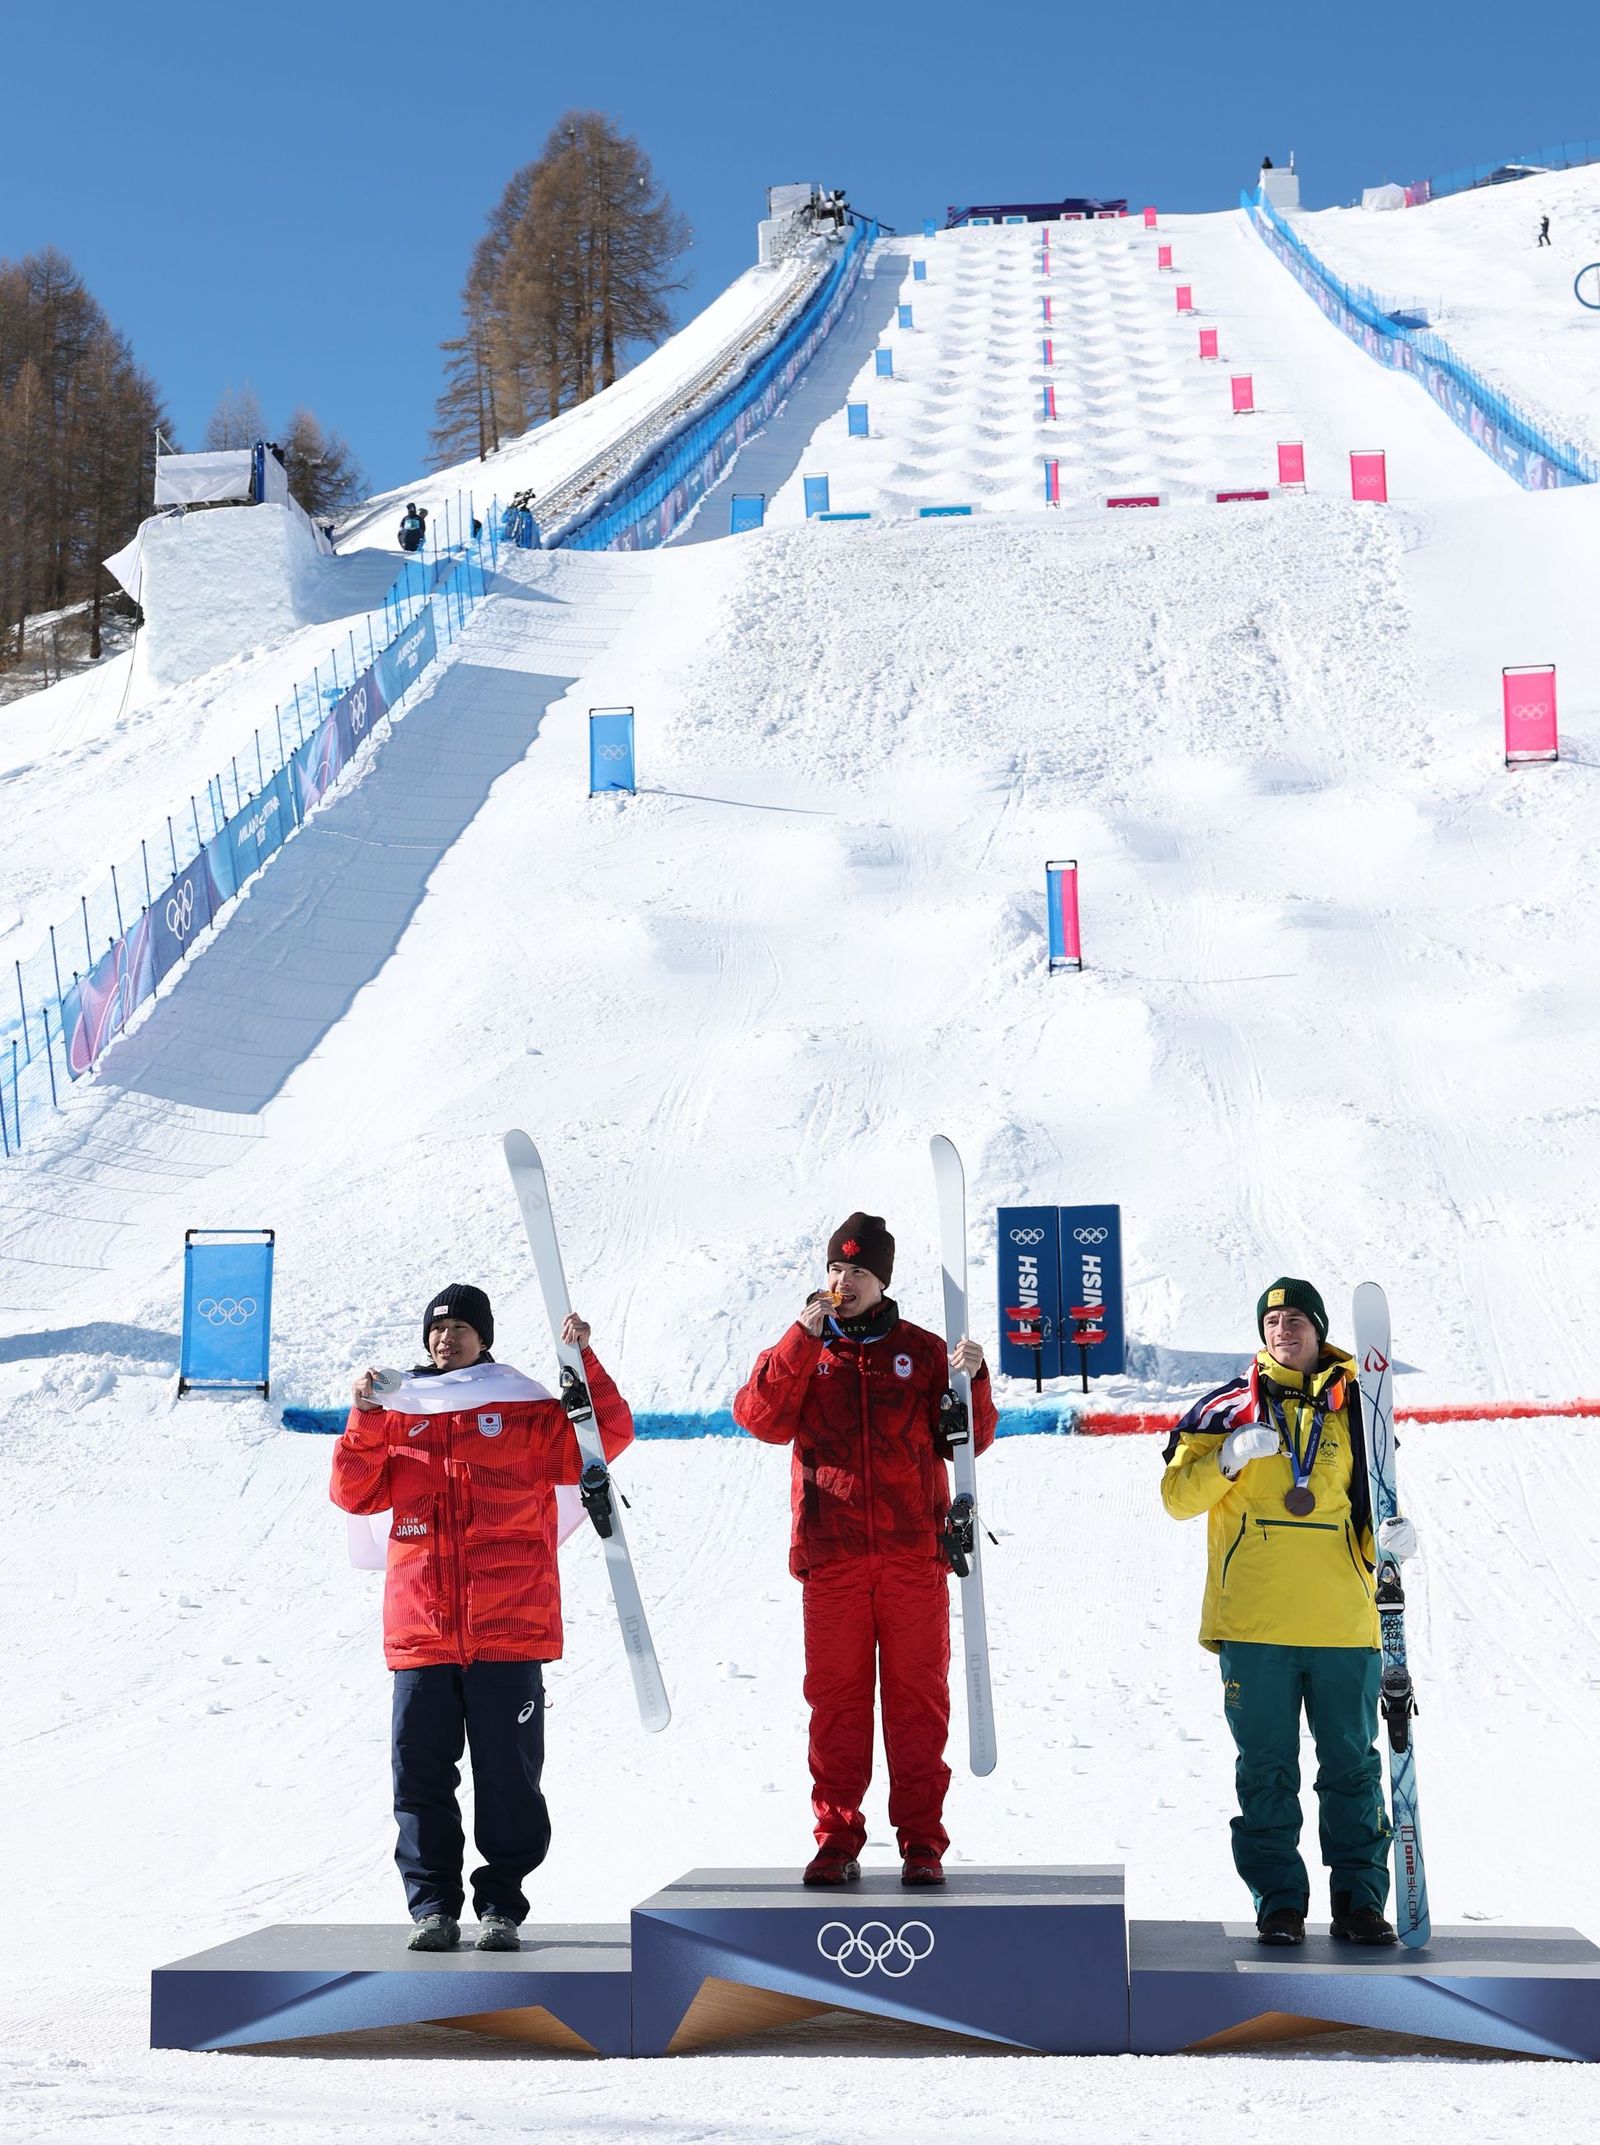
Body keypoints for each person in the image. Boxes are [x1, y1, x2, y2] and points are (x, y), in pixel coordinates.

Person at [331, 1281, 633, 1953]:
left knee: (508, 1778)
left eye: (461, 1327)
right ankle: (433, 1907)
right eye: (437, 1329)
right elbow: (353, 1493)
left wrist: (587, 1366)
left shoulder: (521, 1409)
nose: (446, 1337)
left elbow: (604, 1436)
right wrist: (365, 1413)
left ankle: (501, 1904)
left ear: (484, 1337)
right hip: (422, 1631)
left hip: (509, 1628)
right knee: (420, 1777)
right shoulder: (400, 1411)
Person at [734, 1212, 996, 1889]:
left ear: (881, 1279)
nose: (841, 1280)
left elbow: (968, 1440)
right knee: (837, 1703)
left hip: (913, 1558)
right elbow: (759, 1418)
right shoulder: (806, 1347)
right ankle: (836, 1837)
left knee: (917, 1703)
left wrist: (978, 1381)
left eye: (855, 1270)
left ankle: (922, 1842)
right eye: (834, 1269)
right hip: (834, 1559)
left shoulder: (925, 1350)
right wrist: (801, 1337)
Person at [1160, 1277, 1418, 1948]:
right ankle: (1279, 1904)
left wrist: (1391, 1539)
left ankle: (1361, 1903)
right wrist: (1229, 1455)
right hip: (1255, 1626)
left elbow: (1370, 1506)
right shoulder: (1226, 1407)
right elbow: (1178, 1497)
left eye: (1297, 1317)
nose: (1284, 1329)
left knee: (1352, 1771)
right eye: (1273, 1319)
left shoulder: (1359, 1407)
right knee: (1267, 1773)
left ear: (1320, 1327)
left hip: (1343, 1626)